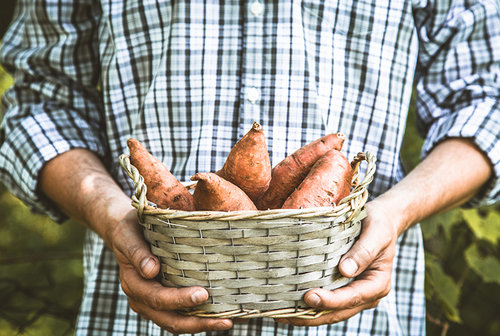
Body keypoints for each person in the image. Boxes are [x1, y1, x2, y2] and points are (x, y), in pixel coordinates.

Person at [0, 0, 498, 335]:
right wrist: (108, 212)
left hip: (358, 315)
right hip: (135, 314)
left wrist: (397, 210)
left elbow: (486, 102)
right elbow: (40, 105)